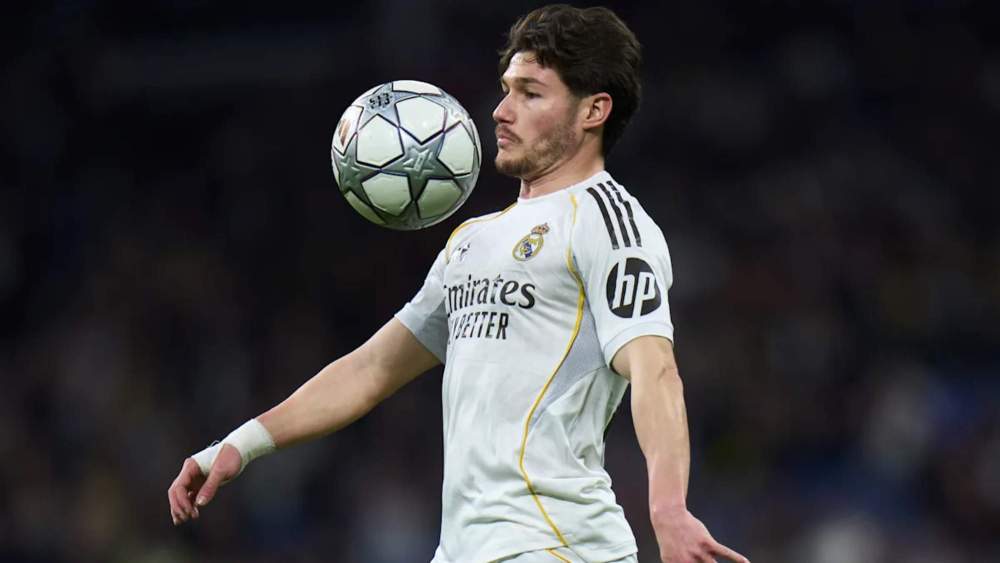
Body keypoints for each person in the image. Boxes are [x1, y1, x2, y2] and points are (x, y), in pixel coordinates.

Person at [167, 5, 749, 563]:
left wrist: (669, 507)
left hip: (557, 545)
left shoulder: (611, 224)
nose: (500, 110)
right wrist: (239, 445)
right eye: (506, 89)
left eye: (530, 93)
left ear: (593, 110)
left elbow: (655, 369)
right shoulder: (471, 240)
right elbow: (370, 371)